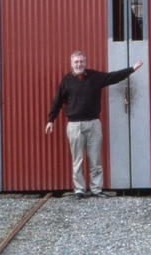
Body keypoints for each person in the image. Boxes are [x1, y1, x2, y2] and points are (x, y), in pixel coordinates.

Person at [46, 51, 144, 199]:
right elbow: (57, 101)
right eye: (76, 62)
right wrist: (50, 120)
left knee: (95, 159)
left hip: (93, 124)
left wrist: (131, 69)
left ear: (85, 62)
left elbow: (113, 77)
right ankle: (79, 190)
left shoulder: (95, 77)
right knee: (77, 160)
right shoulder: (66, 80)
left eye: (81, 61)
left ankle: (97, 189)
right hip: (74, 125)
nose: (79, 64)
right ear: (71, 63)